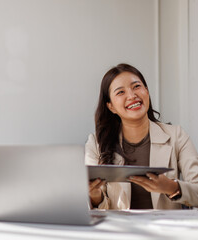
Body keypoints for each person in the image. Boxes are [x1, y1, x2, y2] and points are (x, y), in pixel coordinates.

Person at [85, 63, 198, 209]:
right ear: (110, 106)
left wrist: (171, 187)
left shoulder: (177, 135)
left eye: (136, 86)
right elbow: (100, 209)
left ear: (147, 91)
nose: (132, 96)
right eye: (120, 92)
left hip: (165, 229)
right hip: (119, 231)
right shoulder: (96, 143)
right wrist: (94, 195)